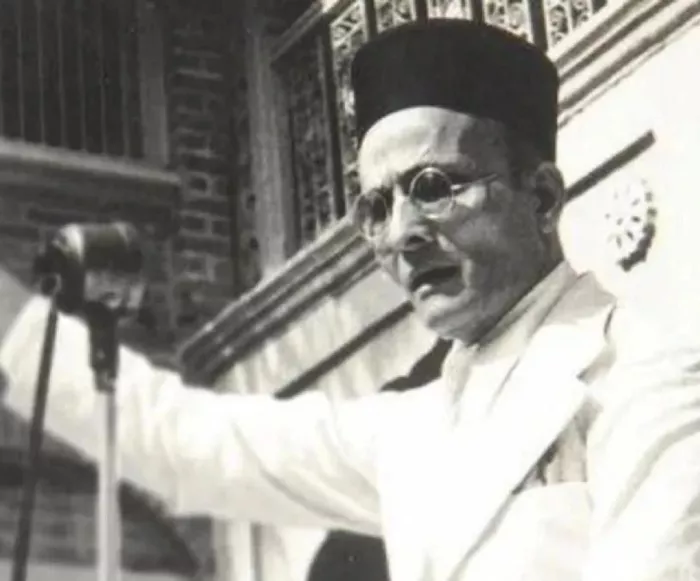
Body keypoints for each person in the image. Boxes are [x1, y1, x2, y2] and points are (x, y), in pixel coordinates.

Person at [1, 18, 699, 581]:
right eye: (376, 206)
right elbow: (184, 440)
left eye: (433, 187)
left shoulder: (645, 375)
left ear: (541, 197)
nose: (401, 234)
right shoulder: (411, 427)